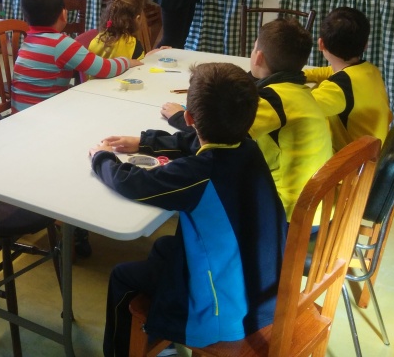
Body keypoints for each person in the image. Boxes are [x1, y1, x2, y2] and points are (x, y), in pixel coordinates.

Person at [89, 62, 287, 357]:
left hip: (225, 312)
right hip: (266, 288)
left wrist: (101, 158)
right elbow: (193, 142)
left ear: (188, 117)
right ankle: (162, 340)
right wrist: (145, 141)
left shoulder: (198, 173)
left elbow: (133, 183)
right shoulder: (249, 147)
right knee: (165, 247)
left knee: (123, 276)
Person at [161, 18, 331, 220]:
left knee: (206, 184)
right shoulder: (298, 91)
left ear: (258, 57)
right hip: (316, 205)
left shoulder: (273, 100)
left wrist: (178, 116)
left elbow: (219, 132)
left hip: (288, 213)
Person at [11, 0, 141, 113]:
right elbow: (104, 68)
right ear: (63, 14)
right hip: (43, 115)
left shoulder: (27, 42)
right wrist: (127, 62)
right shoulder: (61, 44)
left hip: (18, 115)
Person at [306, 7, 392, 151]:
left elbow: (300, 106)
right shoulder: (370, 70)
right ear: (366, 44)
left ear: (321, 44)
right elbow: (331, 71)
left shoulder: (339, 88)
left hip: (354, 162)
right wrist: (302, 75)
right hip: (376, 153)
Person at [87, 0, 169, 61]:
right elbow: (139, 68)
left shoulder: (95, 41)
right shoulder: (133, 45)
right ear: (137, 19)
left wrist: (150, 54)